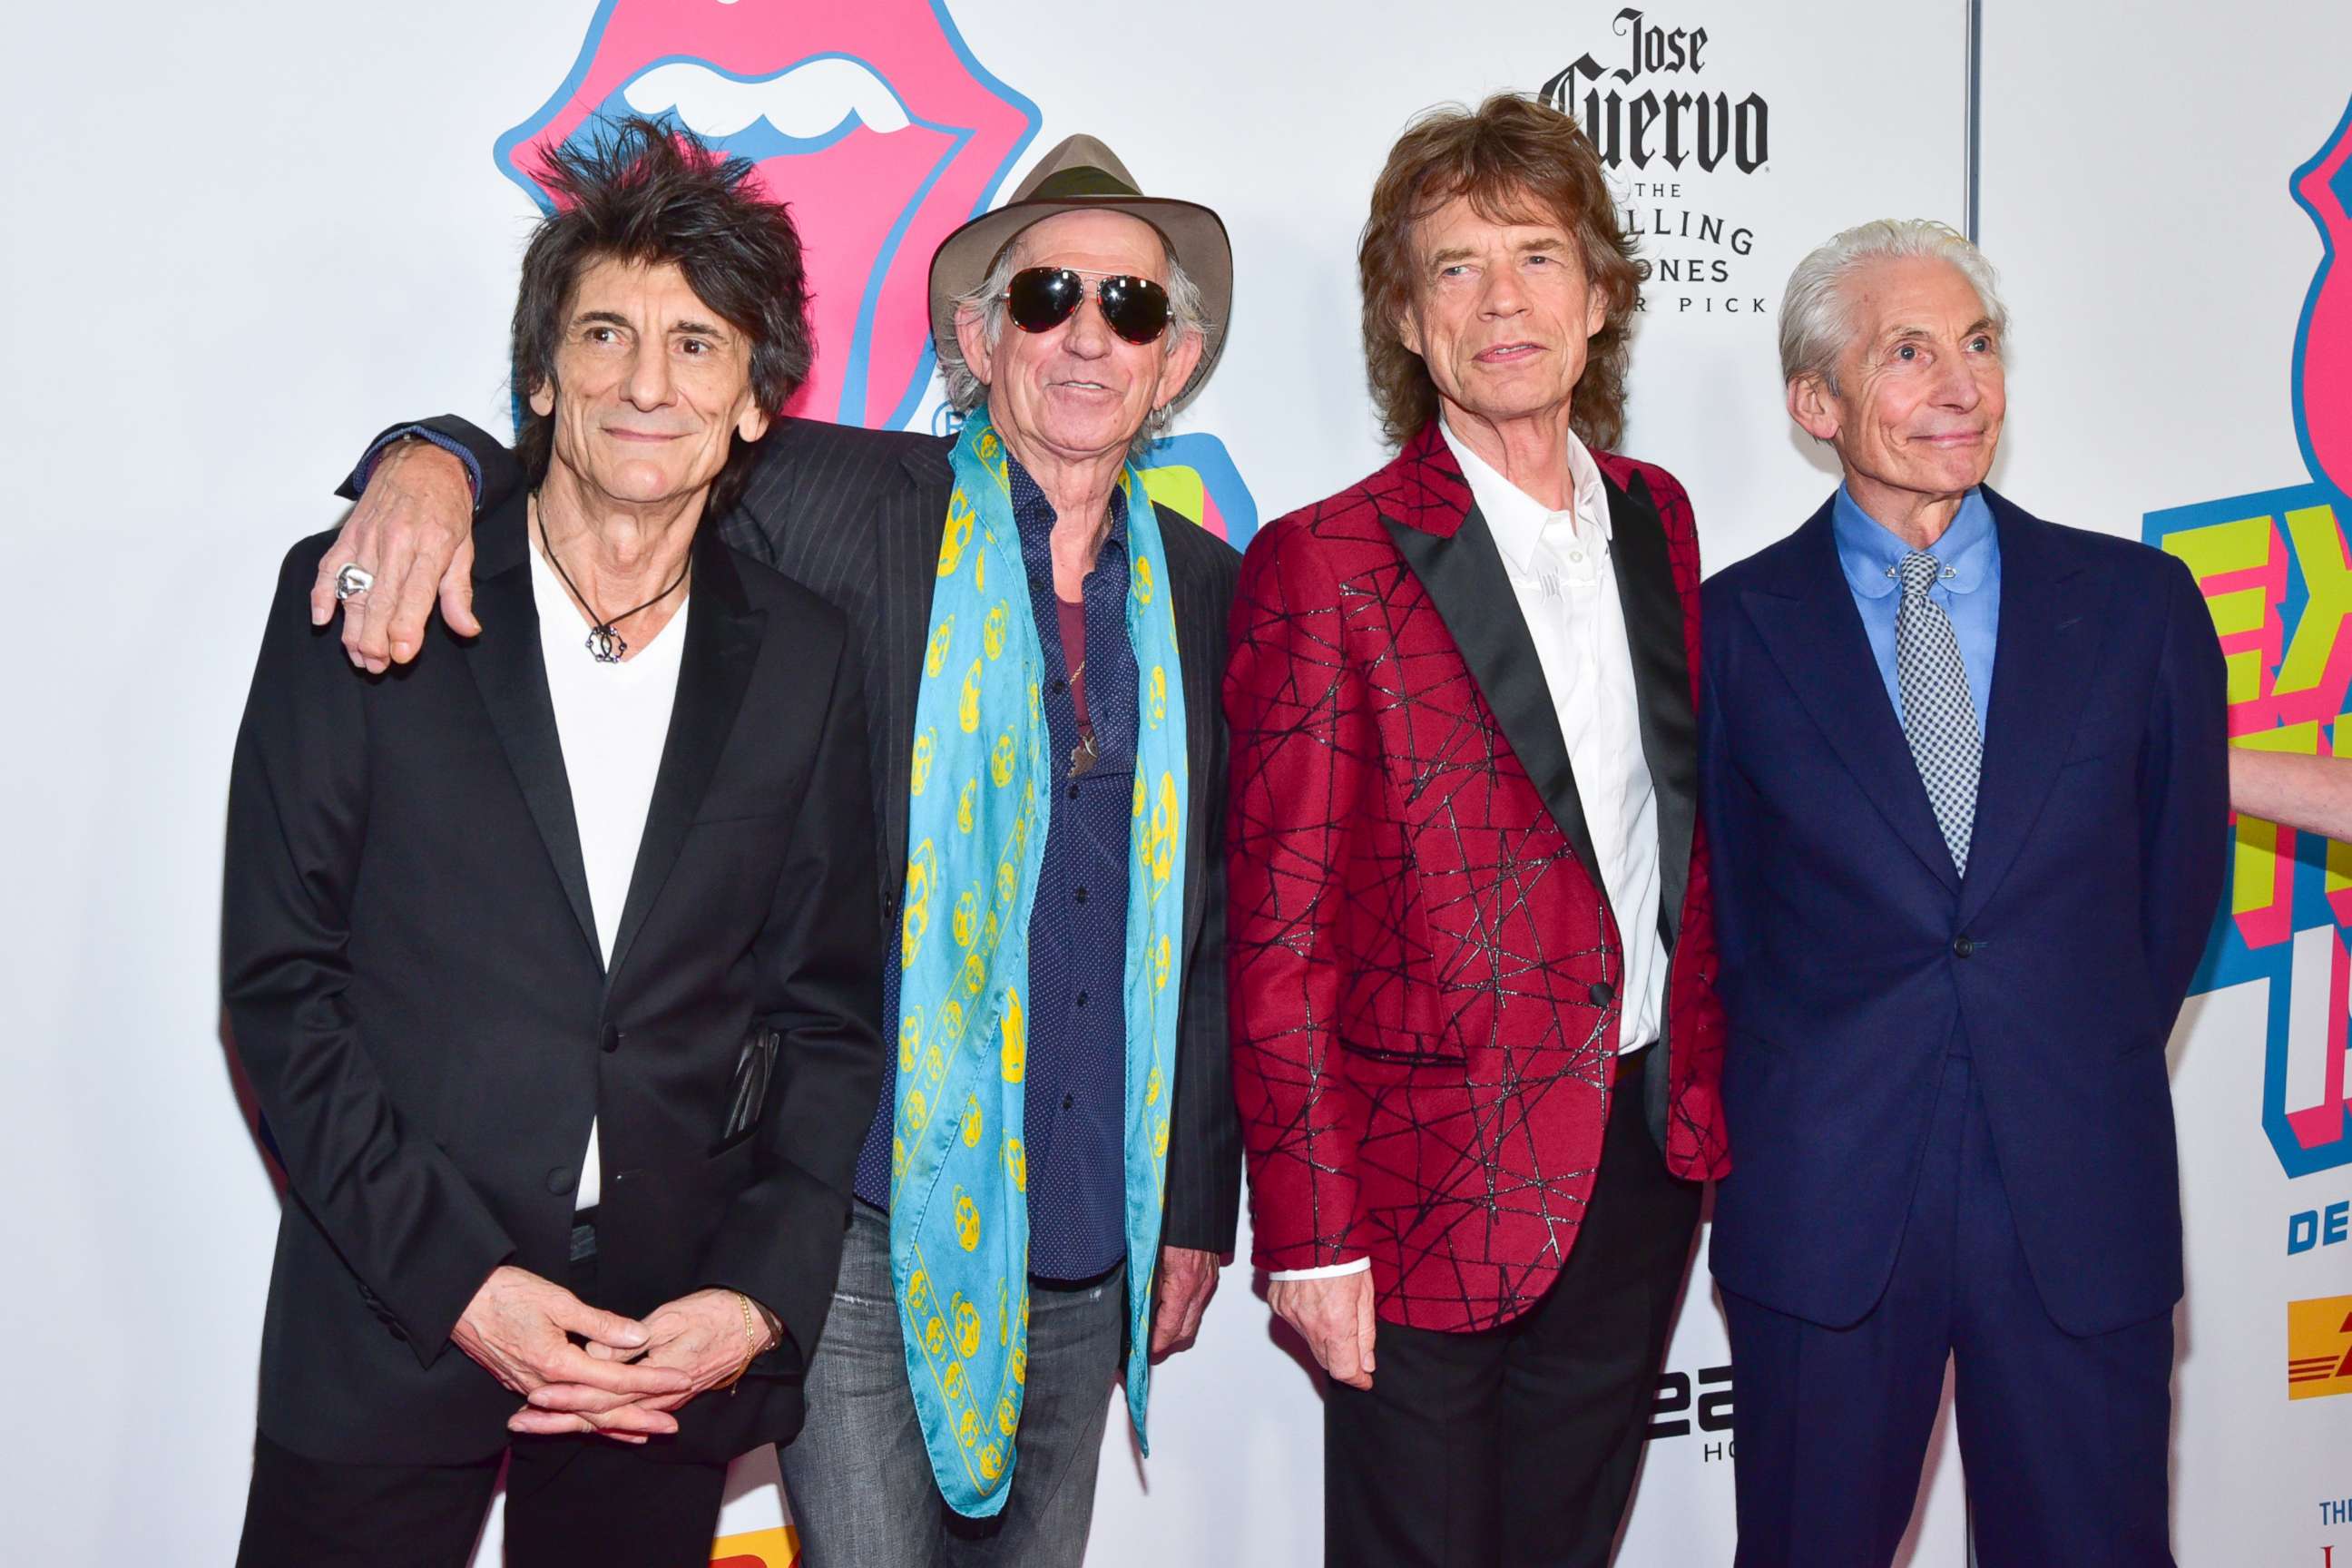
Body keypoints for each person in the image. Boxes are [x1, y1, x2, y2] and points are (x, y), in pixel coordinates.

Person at [314, 132, 1241, 1566]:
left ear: (1171, 363)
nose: (1084, 337)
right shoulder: (843, 502)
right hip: (865, 1223)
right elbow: (621, 452)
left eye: (1127, 309)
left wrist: (1189, 1207)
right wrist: (426, 463)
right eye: (1046, 294)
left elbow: (1212, 930)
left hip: (1085, 1243)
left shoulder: (1208, 591)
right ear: (976, 338)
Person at [221, 119, 885, 1567]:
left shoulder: (806, 657)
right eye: (606, 334)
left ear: (758, 401)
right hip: (392, 1309)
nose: (650, 383)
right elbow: (280, 987)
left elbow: (827, 1015)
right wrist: (464, 1284)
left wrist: (757, 1300)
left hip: (659, 1347)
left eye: (700, 345)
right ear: (539, 378)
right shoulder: (374, 592)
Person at [1222, 93, 1730, 1568]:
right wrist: (1310, 1231)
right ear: (1403, 313)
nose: (1501, 300)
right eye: (1455, 266)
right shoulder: (1327, 562)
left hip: (1637, 1161)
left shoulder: (1660, 519)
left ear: (1601, 299)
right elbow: (1280, 931)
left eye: (1536, 257)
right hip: (1415, 1185)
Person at [1700, 219, 2230, 1566]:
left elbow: (2170, 902)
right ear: (1816, 404)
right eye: (1910, 352)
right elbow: (1723, 928)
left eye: (1980, 345)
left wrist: (2060, 1048)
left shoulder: (2139, 609)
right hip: (1825, 1204)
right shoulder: (1728, 632)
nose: (1961, 385)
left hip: (2078, 1196)